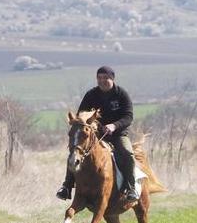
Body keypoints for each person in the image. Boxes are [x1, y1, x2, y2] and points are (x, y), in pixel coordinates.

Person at [56, 66, 138, 202]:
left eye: (106, 78)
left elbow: (128, 116)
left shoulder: (121, 94)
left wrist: (114, 126)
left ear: (112, 78)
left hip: (118, 135)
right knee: (74, 153)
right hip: (94, 135)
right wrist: (93, 126)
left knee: (127, 153)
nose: (102, 81)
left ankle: (131, 188)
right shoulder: (91, 95)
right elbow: (80, 115)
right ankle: (66, 187)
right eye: (99, 78)